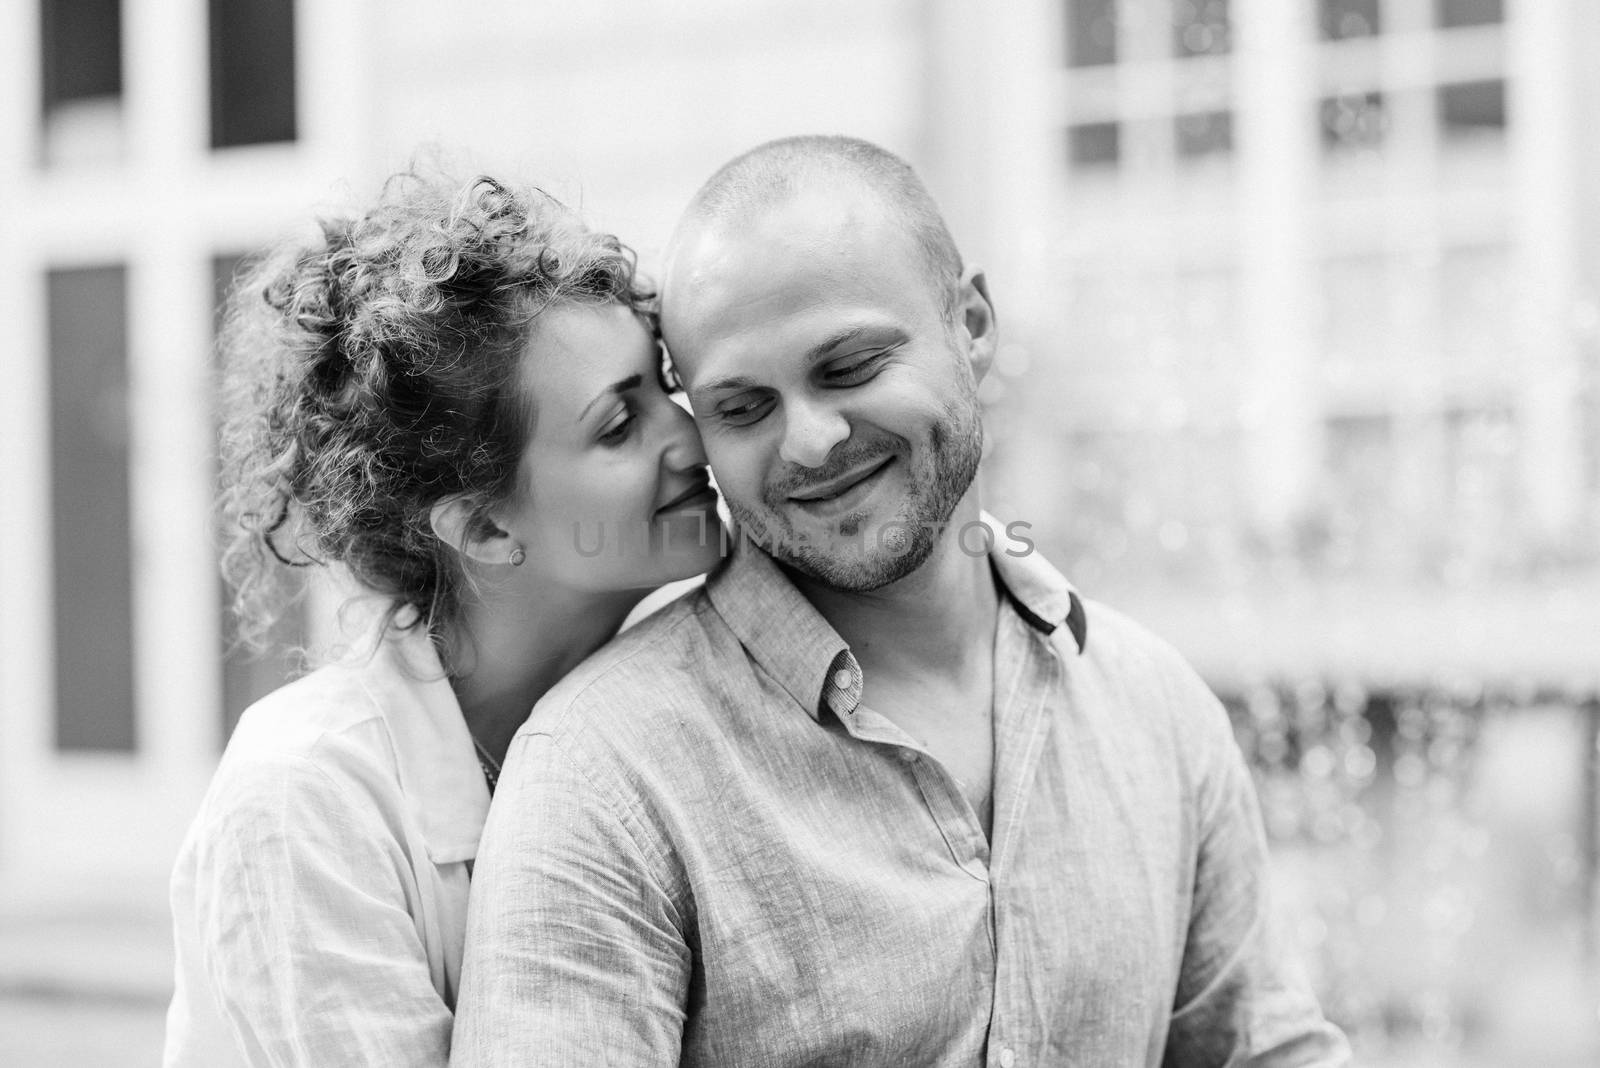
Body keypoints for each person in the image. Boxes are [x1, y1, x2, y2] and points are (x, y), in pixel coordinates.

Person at [453, 135, 1351, 1067]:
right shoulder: (602, 778)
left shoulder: (1157, 713)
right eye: (744, 409)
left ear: (972, 325)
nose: (810, 441)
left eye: (848, 367)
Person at [162, 169, 723, 1067]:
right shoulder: (305, 796)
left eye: (664, 387)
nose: (691, 438)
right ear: (486, 525)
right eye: (620, 425)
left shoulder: (659, 703)